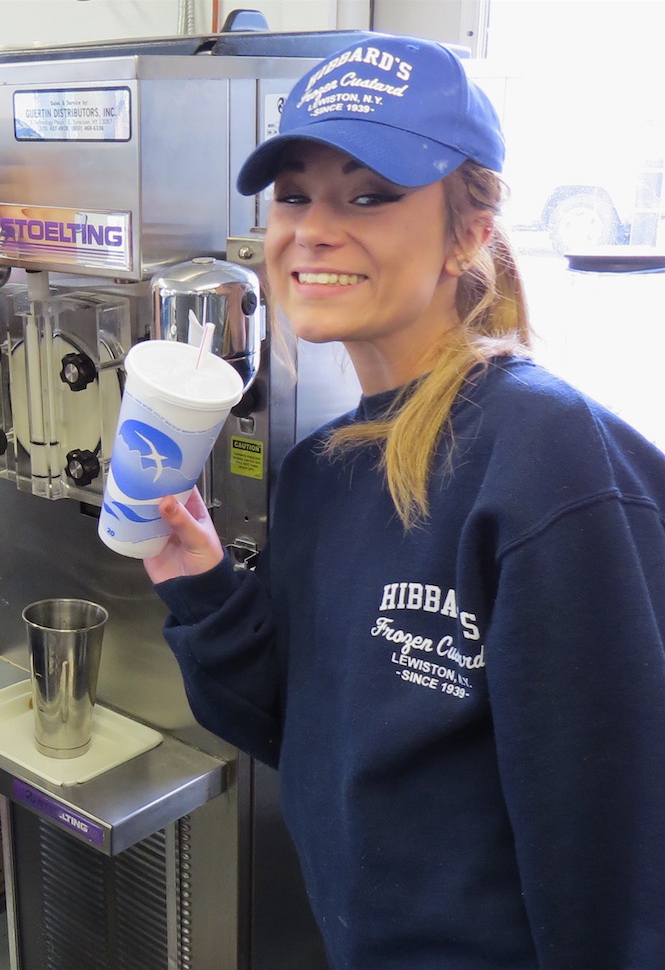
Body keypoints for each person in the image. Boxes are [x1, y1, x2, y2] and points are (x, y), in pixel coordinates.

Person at [144, 34, 665, 970]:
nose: (312, 228)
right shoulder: (323, 469)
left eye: (370, 194)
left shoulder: (549, 466)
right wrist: (207, 589)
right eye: (294, 194)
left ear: (469, 231)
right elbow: (301, 733)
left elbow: (618, 855)